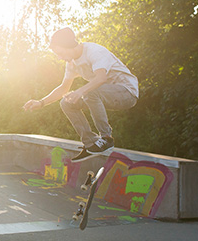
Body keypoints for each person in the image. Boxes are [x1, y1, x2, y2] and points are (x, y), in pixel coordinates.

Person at [23, 27, 138, 161]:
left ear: (69, 45)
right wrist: (41, 102)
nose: (60, 57)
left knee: (90, 93)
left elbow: (101, 78)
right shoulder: (72, 63)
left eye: (60, 53)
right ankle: (91, 143)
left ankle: (106, 139)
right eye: (57, 55)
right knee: (66, 103)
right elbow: (63, 88)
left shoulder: (94, 52)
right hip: (106, 95)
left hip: (126, 92)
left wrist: (80, 91)